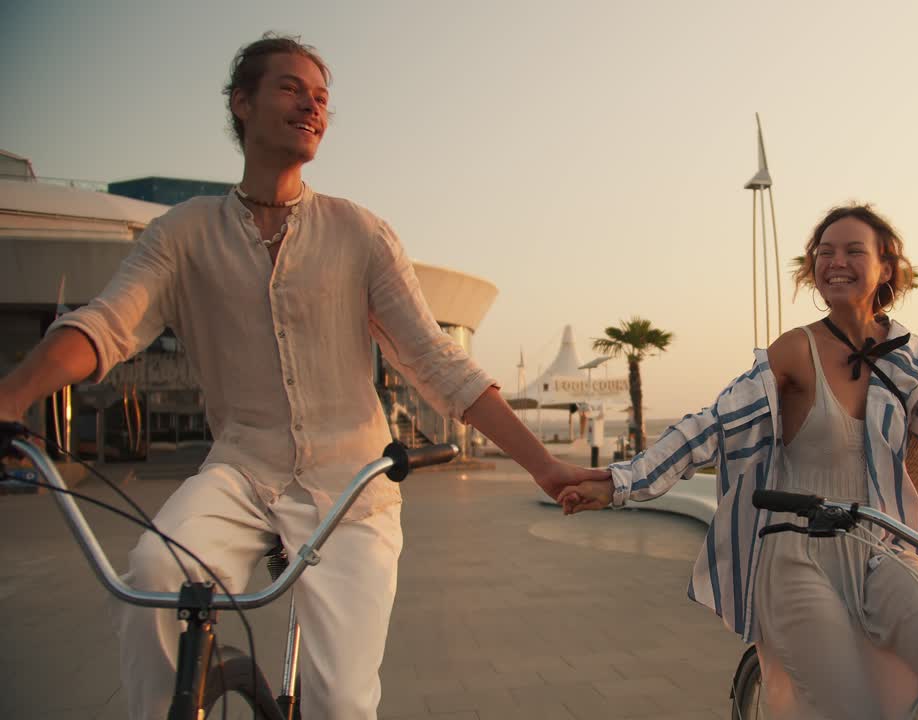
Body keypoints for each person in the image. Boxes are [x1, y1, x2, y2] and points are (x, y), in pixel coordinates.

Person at [0, 33, 598, 720]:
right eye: (291, 88)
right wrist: (12, 395)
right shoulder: (182, 234)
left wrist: (542, 465)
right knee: (152, 578)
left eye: (322, 98)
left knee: (341, 702)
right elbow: (106, 325)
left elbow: (436, 361)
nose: (312, 106)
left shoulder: (360, 233)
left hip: (353, 487)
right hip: (240, 472)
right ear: (242, 103)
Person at [558, 203, 918, 719]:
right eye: (824, 252)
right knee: (846, 706)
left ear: (887, 265)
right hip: (798, 554)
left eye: (852, 251)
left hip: (886, 548)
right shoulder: (795, 349)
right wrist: (621, 482)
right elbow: (716, 423)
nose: (834, 262)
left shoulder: (911, 359)